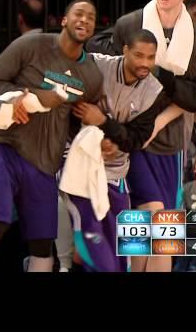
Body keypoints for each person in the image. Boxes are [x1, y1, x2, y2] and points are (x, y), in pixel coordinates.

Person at [87, 0, 196, 272]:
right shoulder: (130, 24)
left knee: (165, 225)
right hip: (130, 134)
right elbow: (109, 67)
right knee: (140, 219)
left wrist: (160, 91)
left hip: (170, 139)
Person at [0, 0, 103, 273]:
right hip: (3, 145)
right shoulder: (31, 45)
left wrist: (99, 132)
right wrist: (20, 97)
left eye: (91, 17)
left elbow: (80, 124)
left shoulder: (91, 75)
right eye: (79, 14)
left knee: (43, 242)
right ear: (63, 20)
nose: (85, 20)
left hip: (44, 160)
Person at [63, 29, 164, 272]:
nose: (145, 63)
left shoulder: (155, 89)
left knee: (139, 229)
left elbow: (137, 139)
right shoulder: (96, 65)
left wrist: (105, 127)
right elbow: (67, 109)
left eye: (151, 57)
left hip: (118, 169)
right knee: (93, 242)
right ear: (125, 50)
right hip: (79, 164)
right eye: (139, 55)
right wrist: (94, 137)